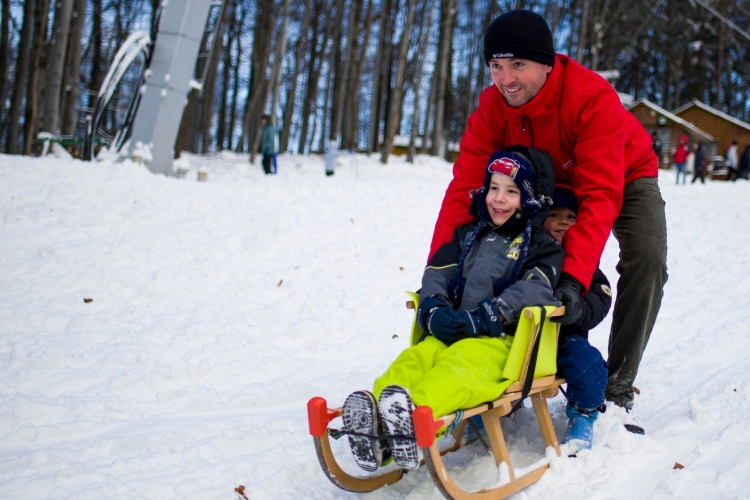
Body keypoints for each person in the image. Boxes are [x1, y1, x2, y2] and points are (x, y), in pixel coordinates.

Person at [428, 10, 667, 419]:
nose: (506, 79)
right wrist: (440, 269)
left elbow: (599, 194)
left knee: (646, 257)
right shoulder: (491, 108)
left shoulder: (590, 97)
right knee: (516, 254)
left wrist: (572, 281)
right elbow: (465, 189)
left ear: (548, 61)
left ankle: (617, 384)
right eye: (496, 67)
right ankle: (511, 364)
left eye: (518, 64)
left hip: (622, 174)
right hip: (540, 182)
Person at [340, 147, 563, 472]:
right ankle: (376, 423)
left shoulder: (541, 245)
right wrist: (434, 307)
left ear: (528, 197)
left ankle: (415, 419)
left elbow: (534, 288)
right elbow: (437, 272)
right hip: (455, 329)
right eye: (494, 187)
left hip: (501, 344)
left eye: (511, 191)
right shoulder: (468, 235)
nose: (498, 199)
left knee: (459, 369)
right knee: (416, 358)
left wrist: (491, 314)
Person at [543, 185, 615, 450]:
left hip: (565, 339)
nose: (563, 221)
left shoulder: (584, 261)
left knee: (588, 364)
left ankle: (584, 414)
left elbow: (601, 295)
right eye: (554, 215)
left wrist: (579, 310)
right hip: (524, 342)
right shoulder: (528, 254)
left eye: (570, 216)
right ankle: (486, 413)